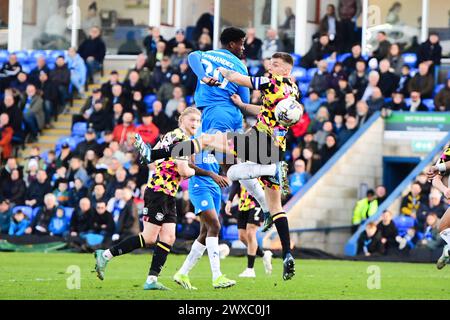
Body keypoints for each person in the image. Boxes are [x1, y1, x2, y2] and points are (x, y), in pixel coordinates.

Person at [94, 108, 212, 290]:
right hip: (159, 191)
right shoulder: (181, 139)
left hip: (168, 192)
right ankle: (106, 255)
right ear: (182, 120)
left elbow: (153, 158)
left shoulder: (172, 137)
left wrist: (178, 166)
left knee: (169, 236)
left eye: (198, 120)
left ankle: (151, 280)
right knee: (149, 238)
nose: (195, 124)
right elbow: (183, 170)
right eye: (192, 120)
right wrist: (193, 171)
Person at [225, 181, 273, 278]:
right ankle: (263, 255)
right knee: (242, 237)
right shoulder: (240, 166)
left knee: (251, 233)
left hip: (258, 202)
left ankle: (250, 269)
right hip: (243, 202)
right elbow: (236, 183)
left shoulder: (261, 166)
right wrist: (229, 200)